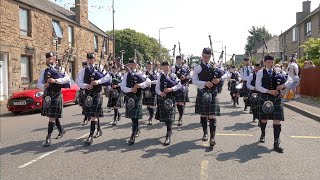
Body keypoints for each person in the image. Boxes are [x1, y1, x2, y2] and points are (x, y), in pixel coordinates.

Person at [255, 55, 291, 153]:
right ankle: (263, 133)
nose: (271, 64)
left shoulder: (279, 71)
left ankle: (276, 143)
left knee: (277, 120)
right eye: (269, 62)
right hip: (265, 97)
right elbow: (257, 86)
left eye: (272, 62)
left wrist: (283, 85)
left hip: (276, 98)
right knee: (263, 119)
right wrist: (268, 91)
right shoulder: (260, 72)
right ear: (264, 62)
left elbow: (290, 79)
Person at [76, 53, 111, 146]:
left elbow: (107, 77)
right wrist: (85, 85)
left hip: (97, 94)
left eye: (92, 59)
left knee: (93, 115)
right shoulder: (83, 71)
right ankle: (98, 129)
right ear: (87, 60)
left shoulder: (100, 68)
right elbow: (78, 81)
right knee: (93, 114)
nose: (90, 61)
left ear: (95, 60)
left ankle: (90, 136)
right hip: (88, 95)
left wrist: (98, 81)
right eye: (89, 59)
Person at [37, 52, 71, 147]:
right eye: (47, 58)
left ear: (55, 59)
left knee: (52, 116)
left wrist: (55, 80)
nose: (49, 60)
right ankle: (61, 130)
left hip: (56, 94)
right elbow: (38, 84)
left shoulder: (60, 69)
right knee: (52, 115)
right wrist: (44, 85)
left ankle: (48, 137)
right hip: (48, 95)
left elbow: (67, 79)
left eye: (51, 58)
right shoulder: (44, 71)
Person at [192, 47, 224, 147]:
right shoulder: (197, 67)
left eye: (208, 57)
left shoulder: (214, 66)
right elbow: (194, 81)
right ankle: (205, 133)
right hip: (203, 92)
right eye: (205, 56)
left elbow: (225, 74)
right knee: (203, 115)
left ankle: (212, 137)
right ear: (202, 55)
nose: (206, 58)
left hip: (213, 93)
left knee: (212, 115)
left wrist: (219, 79)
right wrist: (204, 83)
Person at [119, 59, 151, 145]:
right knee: (133, 117)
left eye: (133, 64)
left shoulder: (141, 73)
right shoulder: (126, 75)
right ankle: (136, 129)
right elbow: (122, 86)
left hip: (137, 97)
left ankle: (132, 135)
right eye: (130, 64)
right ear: (128, 65)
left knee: (135, 117)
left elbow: (148, 82)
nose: (131, 66)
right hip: (129, 97)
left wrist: (140, 85)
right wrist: (130, 89)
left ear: (136, 65)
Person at [155, 61, 182, 145]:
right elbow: (157, 88)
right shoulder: (160, 77)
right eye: (163, 67)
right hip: (163, 98)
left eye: (167, 66)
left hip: (171, 98)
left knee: (169, 118)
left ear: (170, 67)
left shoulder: (173, 76)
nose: (165, 68)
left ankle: (168, 135)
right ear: (161, 68)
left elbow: (179, 85)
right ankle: (169, 130)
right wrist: (160, 93)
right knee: (166, 119)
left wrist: (171, 89)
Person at [171, 55, 191, 126]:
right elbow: (171, 75)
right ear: (176, 60)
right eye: (178, 60)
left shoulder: (186, 67)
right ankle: (178, 114)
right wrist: (176, 77)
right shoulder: (173, 68)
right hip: (175, 86)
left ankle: (180, 117)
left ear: (182, 60)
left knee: (181, 103)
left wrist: (185, 77)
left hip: (183, 86)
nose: (179, 61)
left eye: (180, 60)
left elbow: (190, 76)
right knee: (176, 103)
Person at [77, 61, 90, 125]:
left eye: (85, 65)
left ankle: (86, 117)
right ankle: (87, 116)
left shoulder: (89, 72)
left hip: (88, 90)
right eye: (83, 65)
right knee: (82, 104)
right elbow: (78, 81)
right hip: (82, 90)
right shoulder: (81, 72)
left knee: (87, 104)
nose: (84, 66)